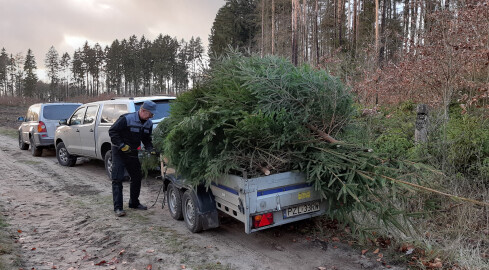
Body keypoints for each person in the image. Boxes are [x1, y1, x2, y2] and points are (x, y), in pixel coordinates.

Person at [109, 100, 157, 217]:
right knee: (118, 178)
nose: (151, 116)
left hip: (133, 153)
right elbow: (112, 131)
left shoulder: (148, 123)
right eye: (150, 114)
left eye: (152, 115)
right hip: (119, 152)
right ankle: (118, 208)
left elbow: (146, 139)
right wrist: (121, 145)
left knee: (136, 177)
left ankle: (134, 203)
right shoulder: (126, 119)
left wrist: (150, 148)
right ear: (143, 110)